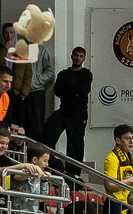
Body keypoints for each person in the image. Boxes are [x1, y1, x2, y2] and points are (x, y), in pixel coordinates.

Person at [43, 46, 89, 176]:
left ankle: (73, 174)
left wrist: (70, 91)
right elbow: (58, 91)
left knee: (75, 145)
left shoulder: (86, 74)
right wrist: (74, 92)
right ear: (72, 56)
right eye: (76, 55)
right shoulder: (63, 74)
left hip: (78, 114)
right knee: (48, 132)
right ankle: (49, 163)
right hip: (64, 111)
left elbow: (84, 90)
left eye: (81, 56)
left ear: (84, 58)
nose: (78, 58)